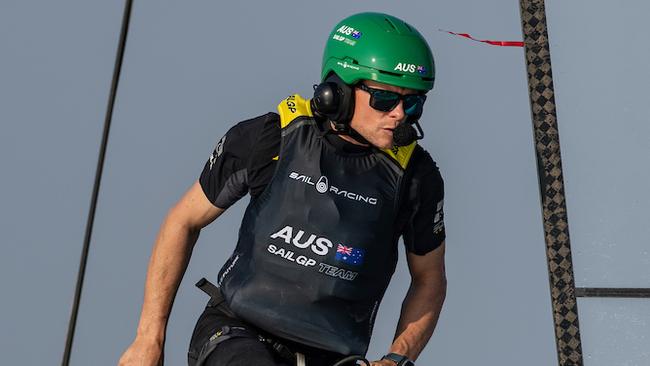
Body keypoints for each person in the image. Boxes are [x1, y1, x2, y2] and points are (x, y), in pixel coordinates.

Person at [119, 12, 447, 366]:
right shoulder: (270, 137)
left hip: (334, 357)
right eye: (385, 99)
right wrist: (148, 339)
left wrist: (397, 359)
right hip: (236, 333)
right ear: (337, 90)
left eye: (413, 103)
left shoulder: (416, 177)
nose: (400, 115)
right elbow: (182, 221)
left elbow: (429, 279)